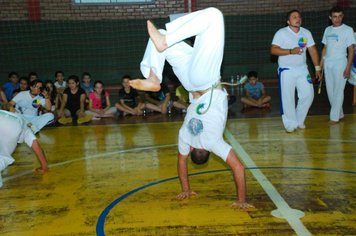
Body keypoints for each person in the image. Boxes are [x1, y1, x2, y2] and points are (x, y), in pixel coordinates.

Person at [129, 8, 254, 210]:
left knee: (213, 15)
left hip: (204, 80)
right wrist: (185, 188)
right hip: (190, 83)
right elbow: (182, 162)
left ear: (205, 152)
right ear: (194, 150)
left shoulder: (213, 141)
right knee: (161, 34)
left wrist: (241, 200)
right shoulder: (185, 138)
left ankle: (155, 73)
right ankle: (154, 76)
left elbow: (238, 167)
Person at [271, 9, 321, 133]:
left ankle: (299, 120)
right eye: (294, 17)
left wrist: (317, 68)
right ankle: (290, 123)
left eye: (299, 16)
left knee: (308, 94)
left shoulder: (306, 33)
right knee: (287, 97)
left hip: (302, 69)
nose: (297, 18)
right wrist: (290, 51)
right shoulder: (281, 33)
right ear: (288, 21)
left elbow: (313, 51)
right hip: (286, 70)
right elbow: (274, 50)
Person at [320, 6, 355, 125]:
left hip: (341, 63)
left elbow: (351, 49)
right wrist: (320, 67)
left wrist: (348, 67)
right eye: (335, 16)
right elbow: (324, 48)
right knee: (330, 91)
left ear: (343, 16)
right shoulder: (327, 30)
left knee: (338, 90)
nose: (337, 19)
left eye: (340, 16)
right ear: (330, 17)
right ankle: (339, 114)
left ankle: (334, 117)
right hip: (328, 63)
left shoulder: (348, 30)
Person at [0, 110, 49, 188]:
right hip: (13, 125)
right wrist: (44, 167)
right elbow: (38, 148)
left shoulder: (17, 118)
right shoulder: (25, 127)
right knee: (3, 157)